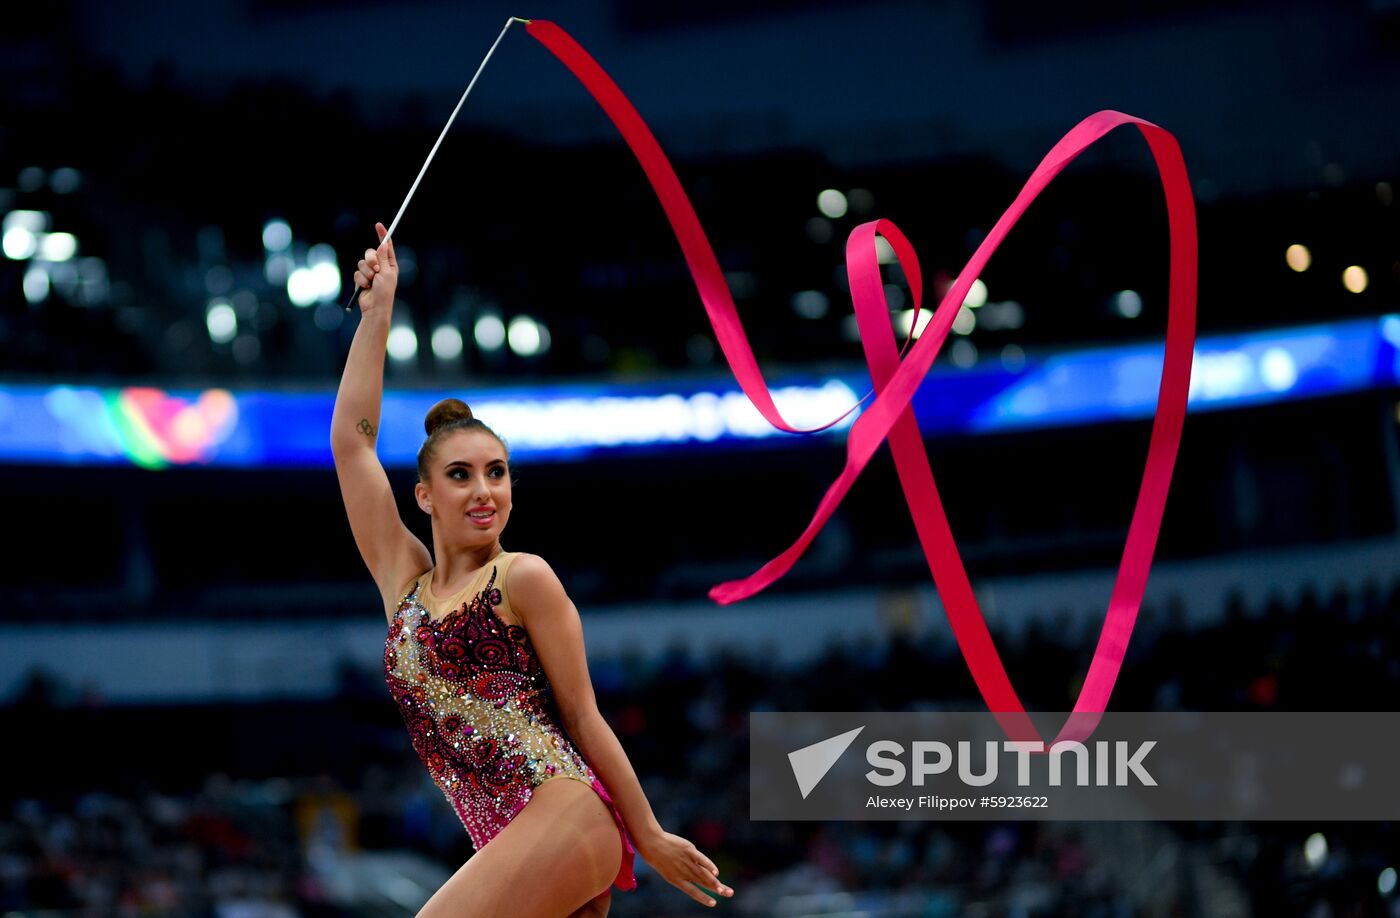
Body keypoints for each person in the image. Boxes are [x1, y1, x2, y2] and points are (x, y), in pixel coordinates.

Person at [330, 224, 734, 917]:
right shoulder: (405, 586)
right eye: (461, 476)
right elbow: (352, 445)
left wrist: (648, 834)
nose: (484, 490)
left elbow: (583, 715)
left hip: (563, 812)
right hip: (511, 843)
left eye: (497, 473)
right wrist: (379, 314)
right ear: (424, 495)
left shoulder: (523, 578)